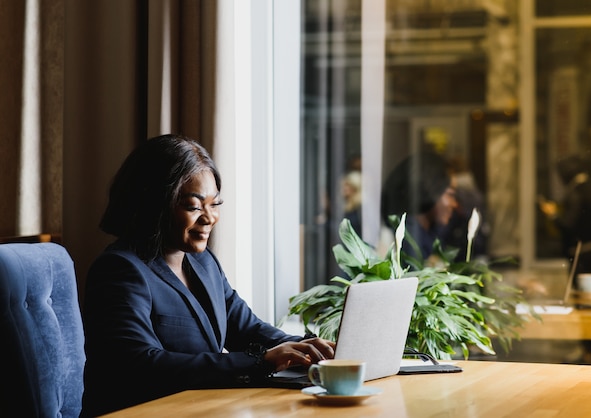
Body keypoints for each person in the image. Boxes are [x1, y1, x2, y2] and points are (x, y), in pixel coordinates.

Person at [81, 134, 335, 416]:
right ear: (154, 203)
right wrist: (262, 362)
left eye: (215, 204)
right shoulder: (120, 270)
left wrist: (305, 348)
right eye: (193, 206)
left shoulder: (203, 262)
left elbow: (247, 328)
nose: (209, 217)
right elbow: (141, 364)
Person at [380, 151, 458, 262]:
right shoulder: (409, 241)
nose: (454, 204)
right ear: (431, 190)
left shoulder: (428, 235)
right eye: (451, 195)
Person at [538, 154, 591, 279]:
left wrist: (553, 215)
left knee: (579, 292)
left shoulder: (576, 192)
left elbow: (569, 225)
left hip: (581, 251)